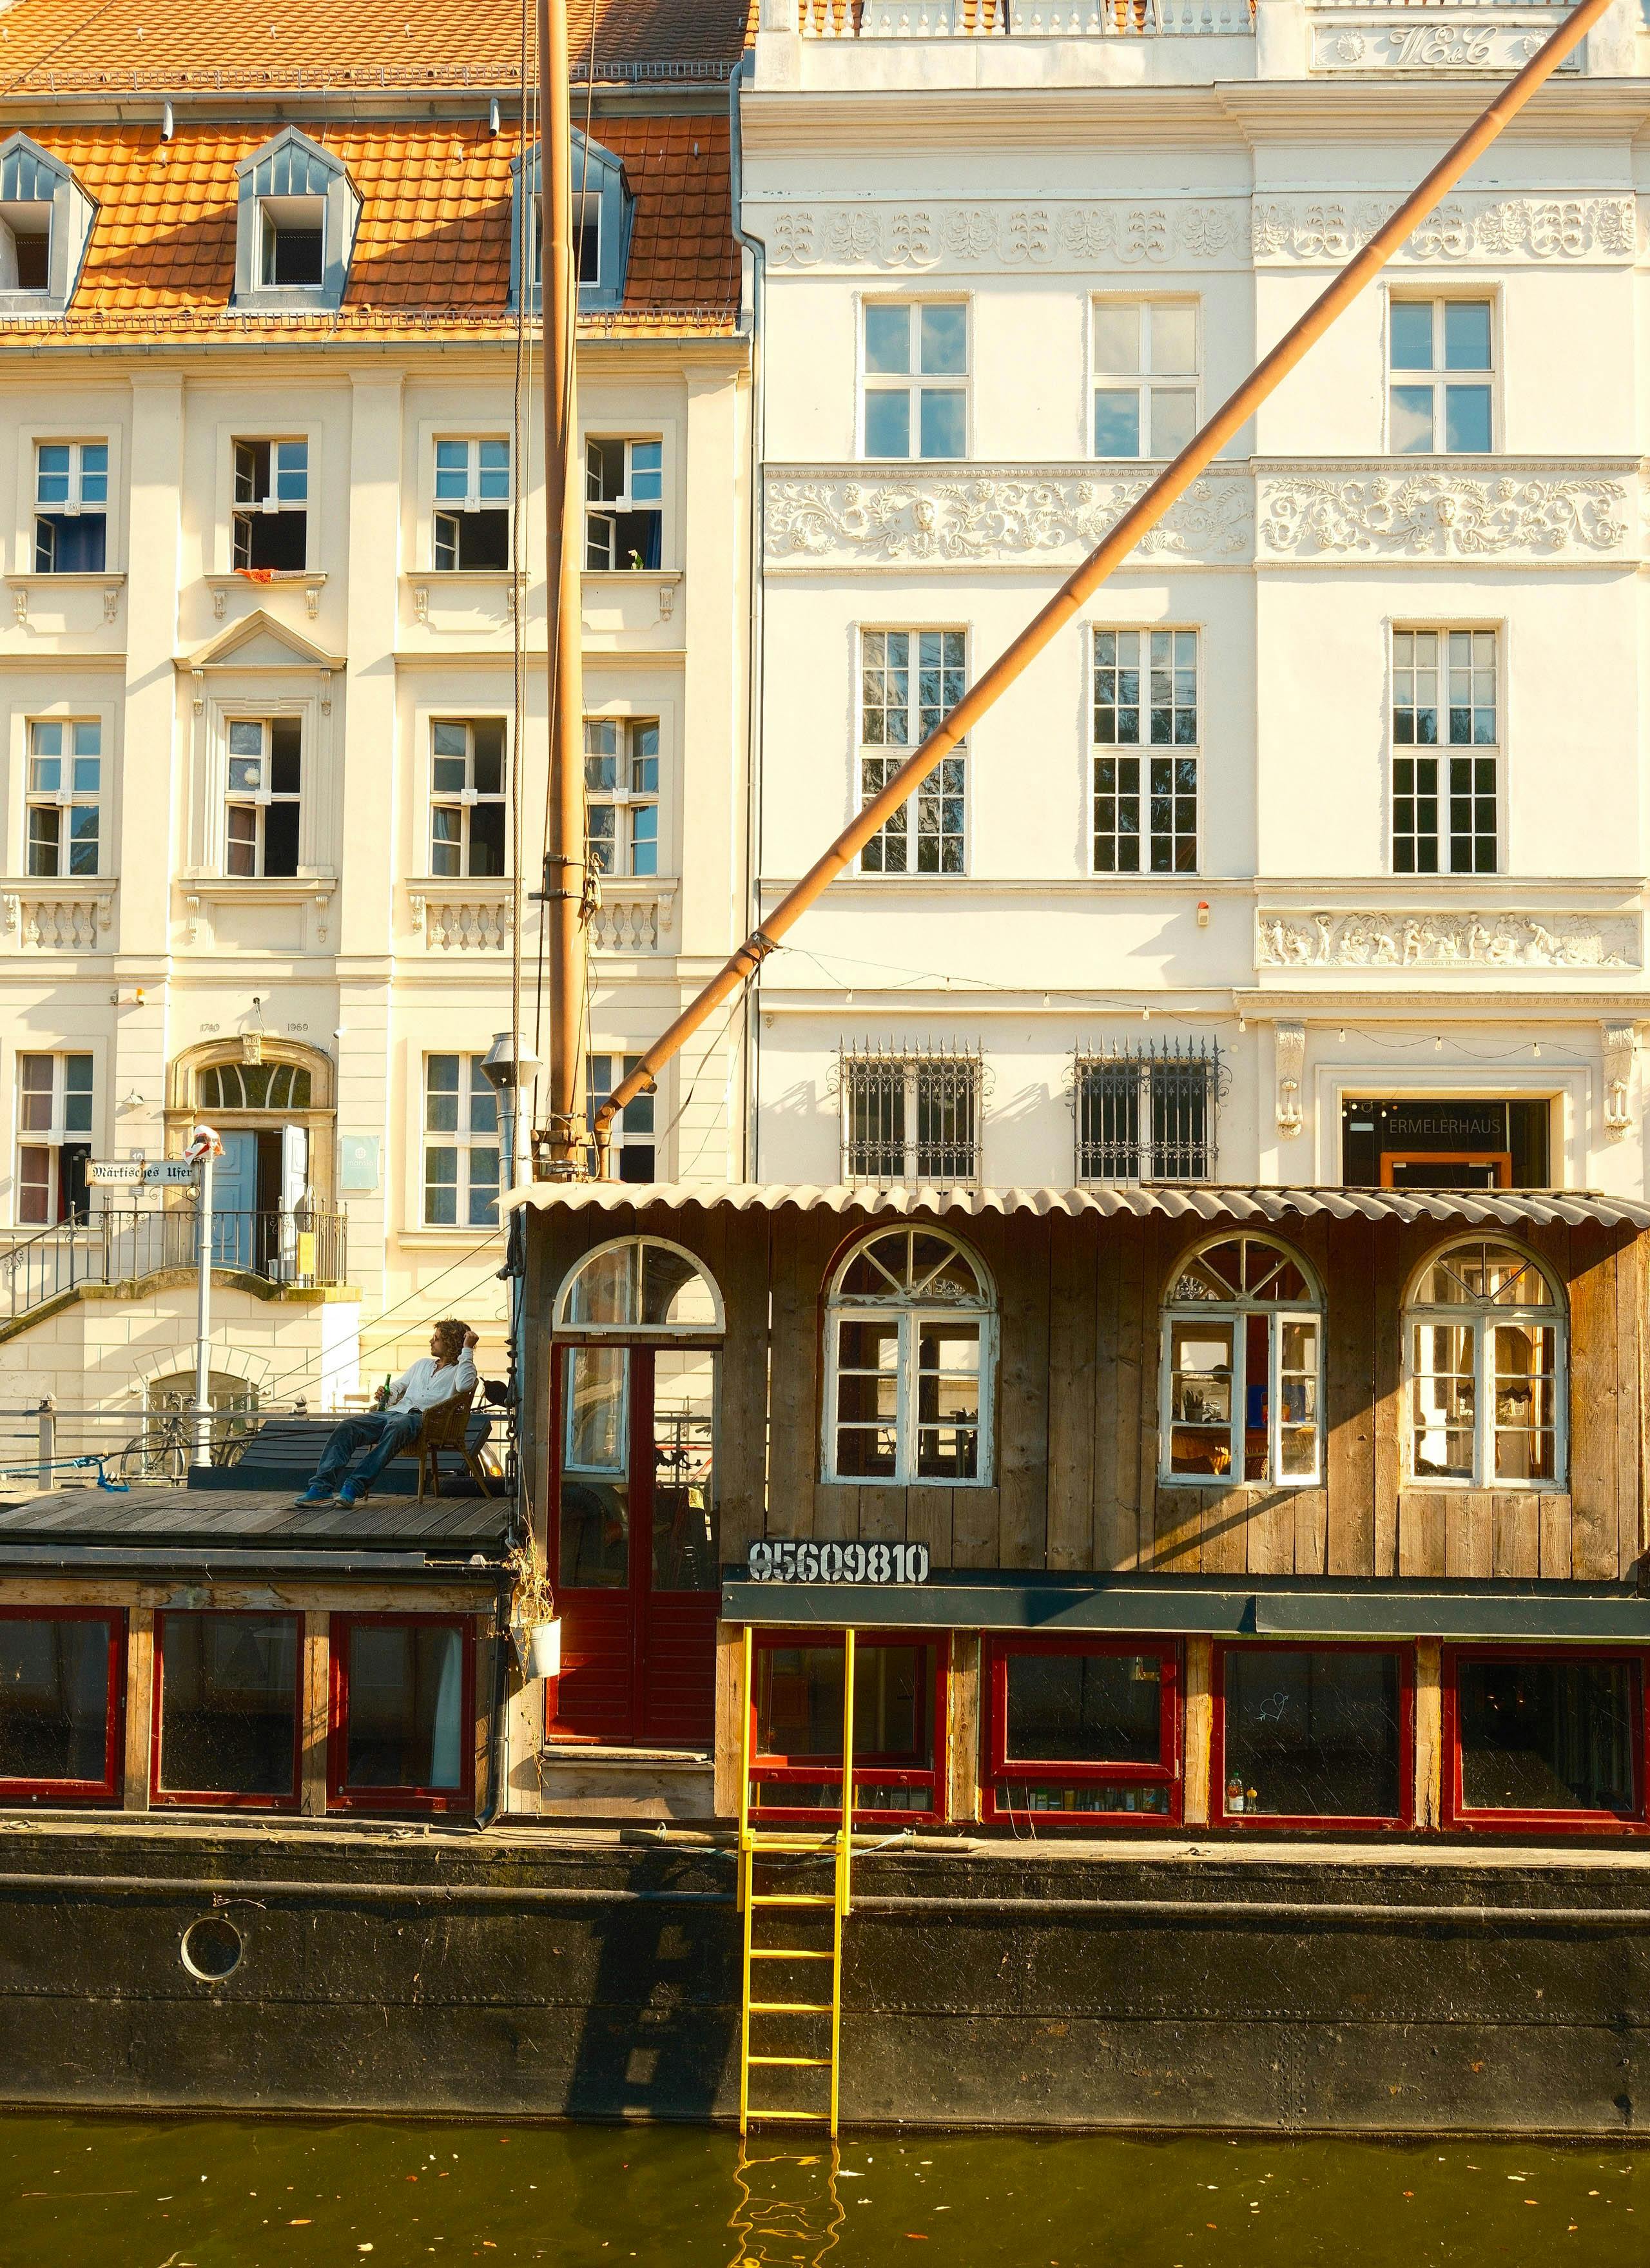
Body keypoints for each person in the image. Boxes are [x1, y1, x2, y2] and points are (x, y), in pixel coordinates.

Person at [293, 1320, 478, 1507]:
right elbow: (399, 1386)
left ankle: (354, 1486)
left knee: (398, 1426)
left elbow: (465, 1385)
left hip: (420, 1420)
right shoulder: (422, 1364)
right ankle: (321, 1489)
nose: (431, 1341)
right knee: (347, 1426)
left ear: (450, 1342)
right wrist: (387, 1393)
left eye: (437, 1338)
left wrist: (467, 1350)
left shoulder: (461, 1369)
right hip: (394, 1413)